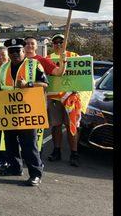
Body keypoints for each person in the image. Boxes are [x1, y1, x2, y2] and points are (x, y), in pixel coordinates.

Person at [0, 38, 48, 186]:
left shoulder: (33, 65)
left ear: (23, 51)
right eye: (11, 51)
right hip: (9, 113)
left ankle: (36, 174)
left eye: (17, 50)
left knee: (29, 145)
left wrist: (28, 84)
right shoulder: (3, 68)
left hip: (27, 112)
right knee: (10, 143)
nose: (14, 54)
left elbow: (44, 84)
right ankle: (15, 168)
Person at [45, 33, 84, 167]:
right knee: (56, 126)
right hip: (54, 98)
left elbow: (82, 77)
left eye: (61, 42)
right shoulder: (48, 58)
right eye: (55, 42)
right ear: (52, 44)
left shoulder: (74, 56)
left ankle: (74, 153)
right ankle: (57, 151)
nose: (58, 44)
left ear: (65, 43)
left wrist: (78, 89)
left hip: (70, 98)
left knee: (71, 126)